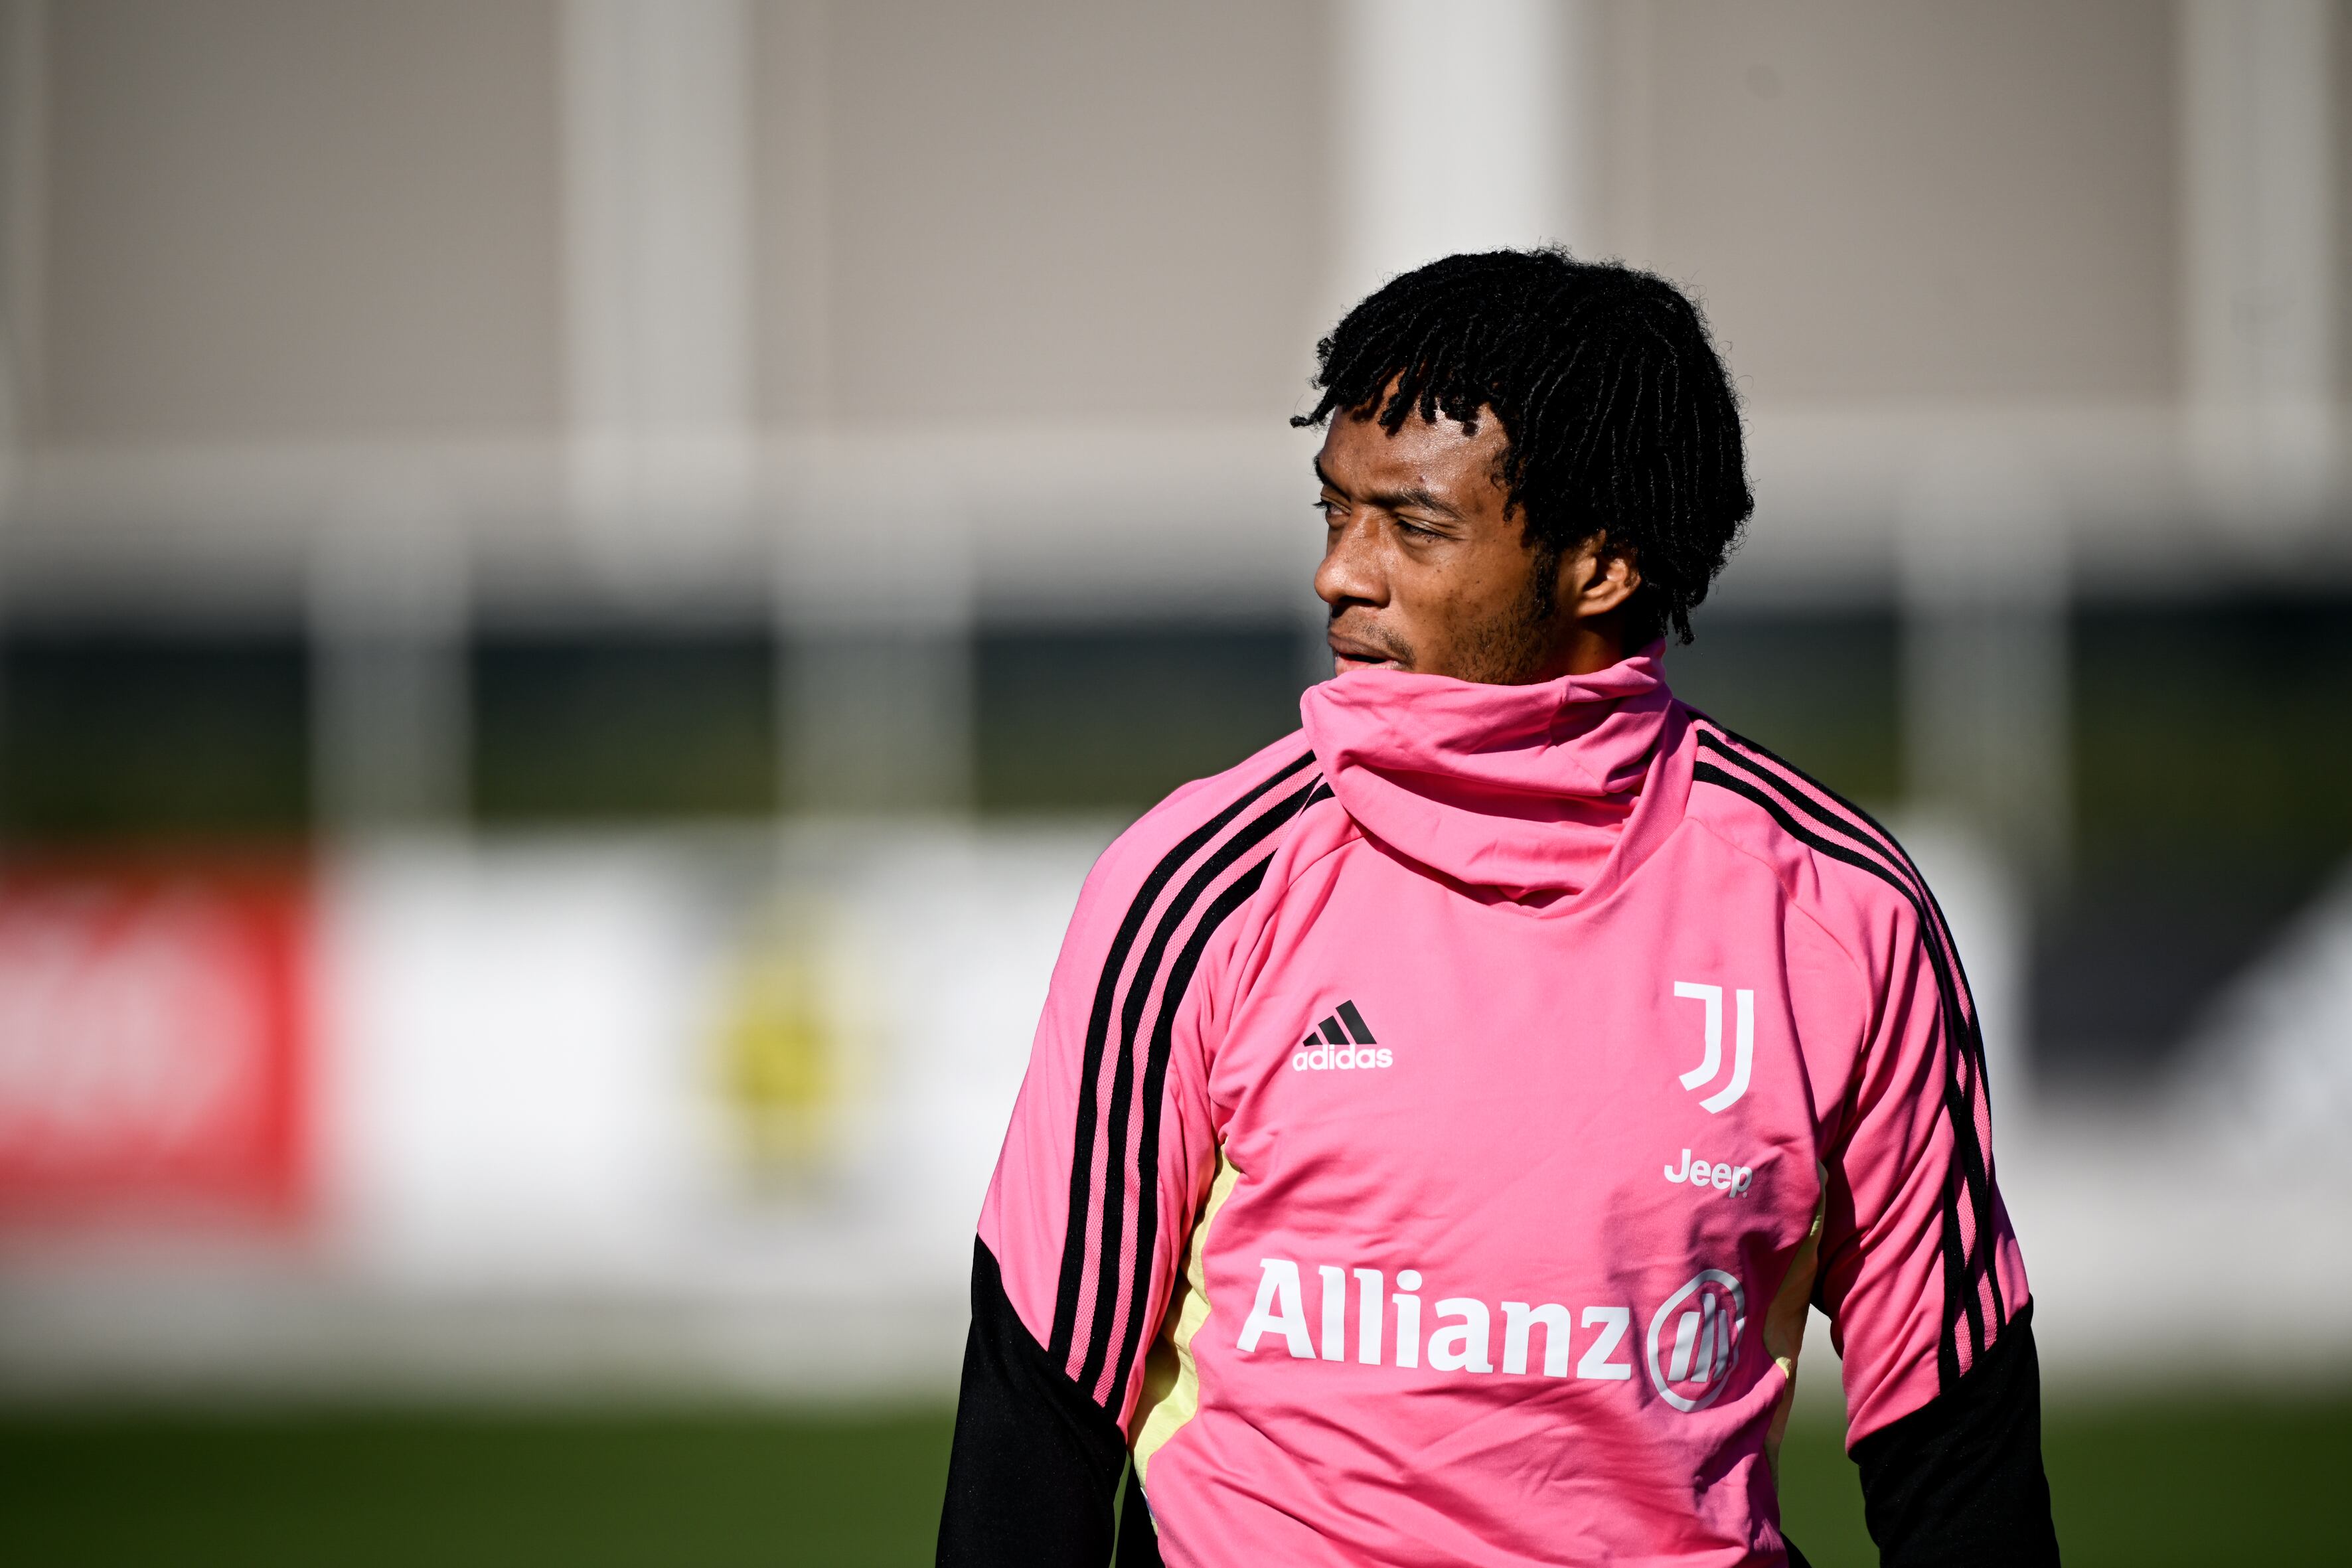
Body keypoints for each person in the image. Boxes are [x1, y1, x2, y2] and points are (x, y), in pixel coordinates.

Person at [936, 249, 2059, 1567]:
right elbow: (1037, 1411)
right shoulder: (1198, 886)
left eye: (1408, 526)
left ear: (1600, 563)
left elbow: (1953, 1437)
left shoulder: (1834, 913)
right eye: (1331, 511)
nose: (1337, 575)